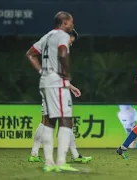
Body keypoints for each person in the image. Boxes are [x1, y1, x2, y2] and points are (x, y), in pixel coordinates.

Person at [28, 30, 92, 164]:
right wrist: (68, 84)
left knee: (46, 120)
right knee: (65, 121)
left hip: (47, 85)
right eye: (71, 41)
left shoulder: (47, 40)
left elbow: (33, 55)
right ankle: (69, 157)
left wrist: (69, 86)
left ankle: (35, 153)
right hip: (55, 88)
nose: (70, 44)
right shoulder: (59, 48)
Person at [26, 11, 78, 172]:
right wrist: (67, 73)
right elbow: (63, 52)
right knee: (66, 120)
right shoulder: (62, 35)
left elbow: (30, 54)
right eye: (71, 22)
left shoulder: (47, 36)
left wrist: (42, 72)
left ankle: (49, 162)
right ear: (64, 23)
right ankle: (61, 161)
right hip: (57, 83)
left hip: (45, 82)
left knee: (48, 121)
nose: (72, 25)